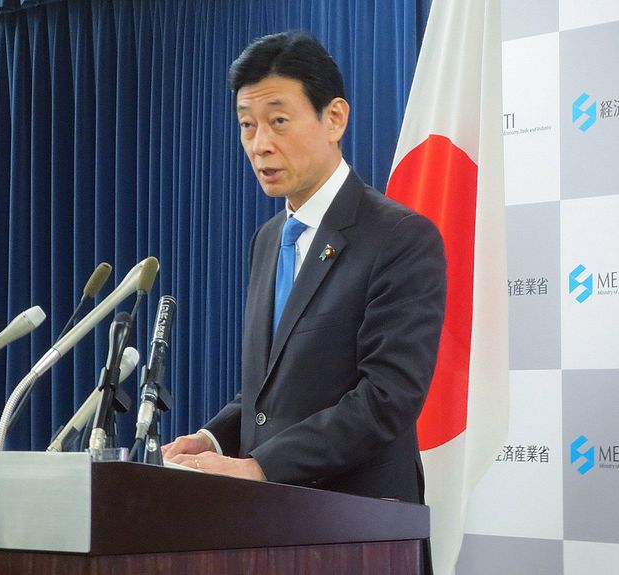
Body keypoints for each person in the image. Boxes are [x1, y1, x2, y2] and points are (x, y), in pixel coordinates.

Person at [162, 31, 446, 504]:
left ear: (334, 118)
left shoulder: (400, 237)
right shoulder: (268, 239)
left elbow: (386, 398)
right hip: (271, 517)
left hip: (361, 520)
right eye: (247, 125)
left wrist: (261, 466)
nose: (260, 144)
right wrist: (213, 440)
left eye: (278, 121)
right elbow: (271, 390)